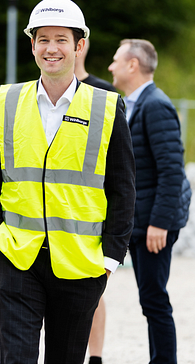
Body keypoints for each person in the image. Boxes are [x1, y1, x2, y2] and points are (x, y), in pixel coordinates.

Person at [0, 0, 135, 363]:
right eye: (43, 39)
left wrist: (112, 257)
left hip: (81, 264)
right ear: (32, 45)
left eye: (61, 39)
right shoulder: (8, 101)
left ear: (79, 46)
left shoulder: (107, 106)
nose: (52, 49)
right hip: (16, 257)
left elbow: (123, 188)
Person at [108, 38, 191, 364]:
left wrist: (159, 223)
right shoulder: (137, 103)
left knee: (155, 300)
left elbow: (172, 171)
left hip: (155, 224)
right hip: (143, 221)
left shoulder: (155, 105)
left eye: (116, 60)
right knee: (150, 299)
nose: (111, 66)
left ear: (133, 65)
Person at [77, 36, 114, 364]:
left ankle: (96, 358)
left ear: (81, 45)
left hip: (92, 214)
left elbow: (120, 163)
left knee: (94, 292)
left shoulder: (105, 95)